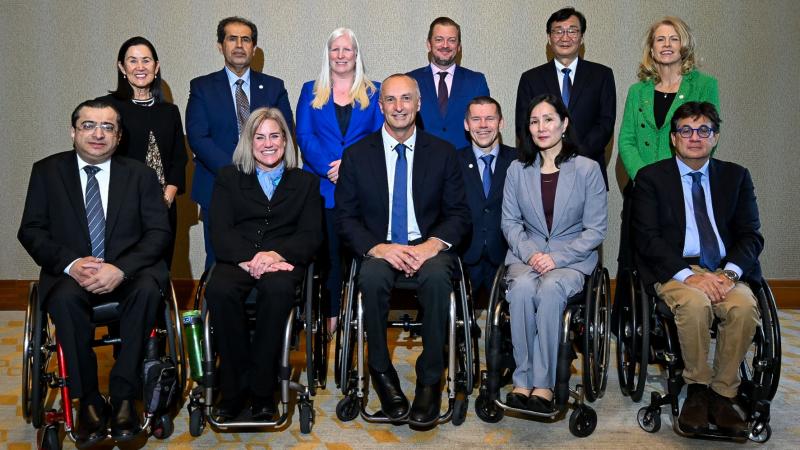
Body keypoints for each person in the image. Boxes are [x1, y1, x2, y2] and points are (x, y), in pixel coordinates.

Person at [18, 99, 171, 447]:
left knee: (149, 290)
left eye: (108, 127)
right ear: (73, 132)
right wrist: (72, 264)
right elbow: (31, 230)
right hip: (70, 275)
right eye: (88, 125)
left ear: (118, 137)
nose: (98, 134)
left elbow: (158, 234)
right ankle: (87, 398)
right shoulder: (46, 172)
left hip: (129, 273)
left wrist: (120, 269)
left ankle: (123, 397)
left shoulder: (140, 176)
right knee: (65, 300)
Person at [335, 74, 469, 426]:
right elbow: (346, 219)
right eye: (391, 100)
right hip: (380, 248)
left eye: (406, 99)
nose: (399, 107)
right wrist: (379, 247)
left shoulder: (442, 153)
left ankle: (430, 379)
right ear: (380, 107)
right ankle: (381, 373)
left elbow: (458, 214)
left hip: (428, 246)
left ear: (418, 104)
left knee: (440, 278)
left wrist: (430, 246)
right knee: (372, 278)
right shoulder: (356, 155)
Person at [631, 102, 761, 437]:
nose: (694, 137)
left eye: (703, 130)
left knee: (745, 306)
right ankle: (697, 388)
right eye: (686, 130)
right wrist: (691, 276)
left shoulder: (736, 176)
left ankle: (724, 392)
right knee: (695, 303)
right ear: (673, 138)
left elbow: (750, 235)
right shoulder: (651, 179)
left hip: (723, 270)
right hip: (676, 271)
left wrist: (728, 274)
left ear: (715, 137)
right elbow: (646, 238)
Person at [203, 107, 322, 421]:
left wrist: (274, 256)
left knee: (279, 289)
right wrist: (250, 259)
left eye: (275, 135)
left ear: (285, 140)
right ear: (249, 141)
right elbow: (220, 229)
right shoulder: (229, 177)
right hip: (237, 259)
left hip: (283, 262)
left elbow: (312, 235)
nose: (268, 143)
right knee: (219, 290)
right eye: (260, 137)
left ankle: (261, 388)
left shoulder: (305, 182)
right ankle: (233, 389)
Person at [501, 94, 606, 413]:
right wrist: (532, 254)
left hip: (570, 259)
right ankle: (522, 379)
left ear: (564, 124)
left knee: (549, 290)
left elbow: (596, 229)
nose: (541, 127)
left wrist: (556, 259)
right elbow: (509, 221)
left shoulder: (587, 169)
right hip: (525, 256)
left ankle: (543, 384)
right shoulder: (517, 170)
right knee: (519, 289)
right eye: (534, 121)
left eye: (548, 119)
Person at [186, 16, 295, 269]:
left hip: (267, 186)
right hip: (217, 184)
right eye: (231, 38)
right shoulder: (201, 87)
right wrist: (237, 173)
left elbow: (285, 132)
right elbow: (198, 137)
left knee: (265, 257)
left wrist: (257, 172)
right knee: (220, 259)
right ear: (220, 46)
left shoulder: (273, 86)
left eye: (245, 39)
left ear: (254, 48)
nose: (238, 45)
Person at [296, 27, 384, 336]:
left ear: (357, 55)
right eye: (336, 49)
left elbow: (378, 137)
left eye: (348, 49)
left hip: (362, 188)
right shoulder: (310, 90)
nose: (342, 55)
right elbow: (304, 136)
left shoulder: (374, 92)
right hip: (321, 189)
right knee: (329, 256)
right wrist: (328, 167)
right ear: (328, 54)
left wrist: (348, 166)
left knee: (365, 255)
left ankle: (363, 313)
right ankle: (331, 315)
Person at [98, 36, 187, 267]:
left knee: (160, 269)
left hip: (163, 207)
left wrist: (165, 200)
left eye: (146, 61)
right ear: (121, 67)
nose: (140, 67)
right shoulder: (105, 108)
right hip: (120, 209)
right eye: (133, 61)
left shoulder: (170, 111)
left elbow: (179, 160)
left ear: (156, 67)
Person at [515, 7, 615, 189]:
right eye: (558, 31)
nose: (565, 37)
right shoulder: (530, 78)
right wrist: (550, 160)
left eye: (572, 31)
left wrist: (575, 157)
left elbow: (605, 123)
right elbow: (523, 125)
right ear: (549, 38)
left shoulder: (602, 75)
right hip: (542, 170)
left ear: (582, 37)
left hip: (588, 169)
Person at [618, 16, 720, 181]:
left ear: (684, 46)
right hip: (642, 185)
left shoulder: (705, 85)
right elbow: (626, 140)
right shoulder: (637, 91)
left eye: (674, 39)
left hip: (683, 182)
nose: (667, 44)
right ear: (652, 49)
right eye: (660, 39)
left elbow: (707, 136)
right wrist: (643, 178)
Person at [457, 96, 515, 295]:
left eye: (490, 118)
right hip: (464, 256)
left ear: (501, 122)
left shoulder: (520, 162)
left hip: (507, 256)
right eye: (476, 119)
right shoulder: (453, 162)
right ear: (466, 124)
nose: (483, 125)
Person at [408, 16, 490, 150]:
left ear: (459, 47)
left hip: (463, 164)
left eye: (451, 40)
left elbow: (484, 124)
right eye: (439, 39)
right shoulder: (410, 80)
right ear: (429, 44)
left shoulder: (476, 81)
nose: (445, 45)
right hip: (422, 162)